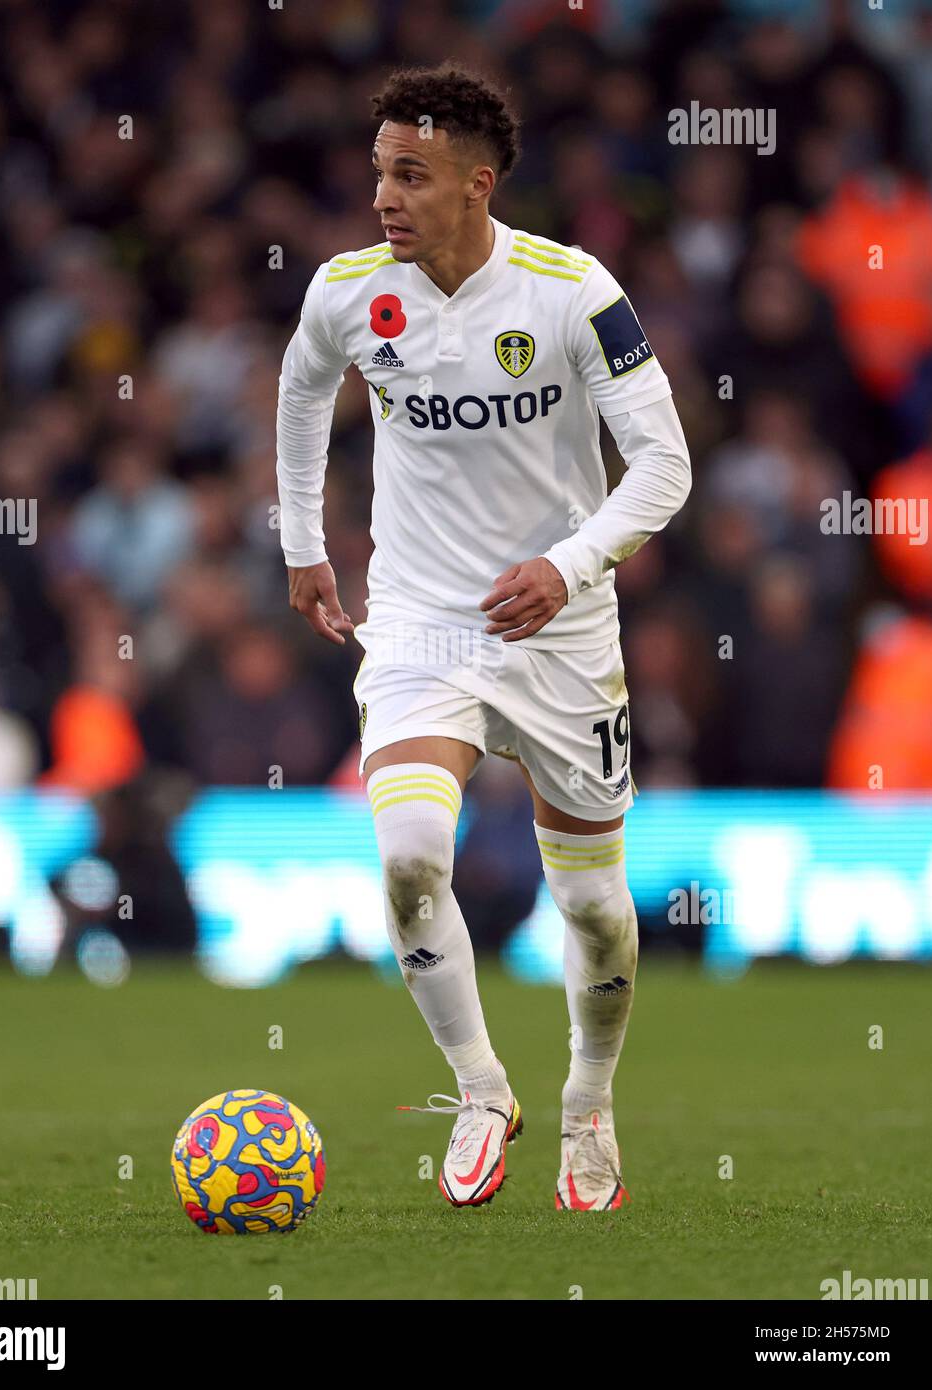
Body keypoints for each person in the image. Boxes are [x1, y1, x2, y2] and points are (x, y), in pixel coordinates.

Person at [276, 63, 691, 1212]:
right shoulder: (350, 292)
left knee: (597, 911)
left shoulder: (574, 291)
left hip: (560, 633)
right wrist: (304, 544)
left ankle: (589, 1104)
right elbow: (304, 390)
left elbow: (665, 464)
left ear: (478, 183)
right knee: (410, 861)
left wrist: (567, 565)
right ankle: (479, 1085)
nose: (384, 199)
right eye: (377, 174)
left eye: (410, 176)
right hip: (419, 620)